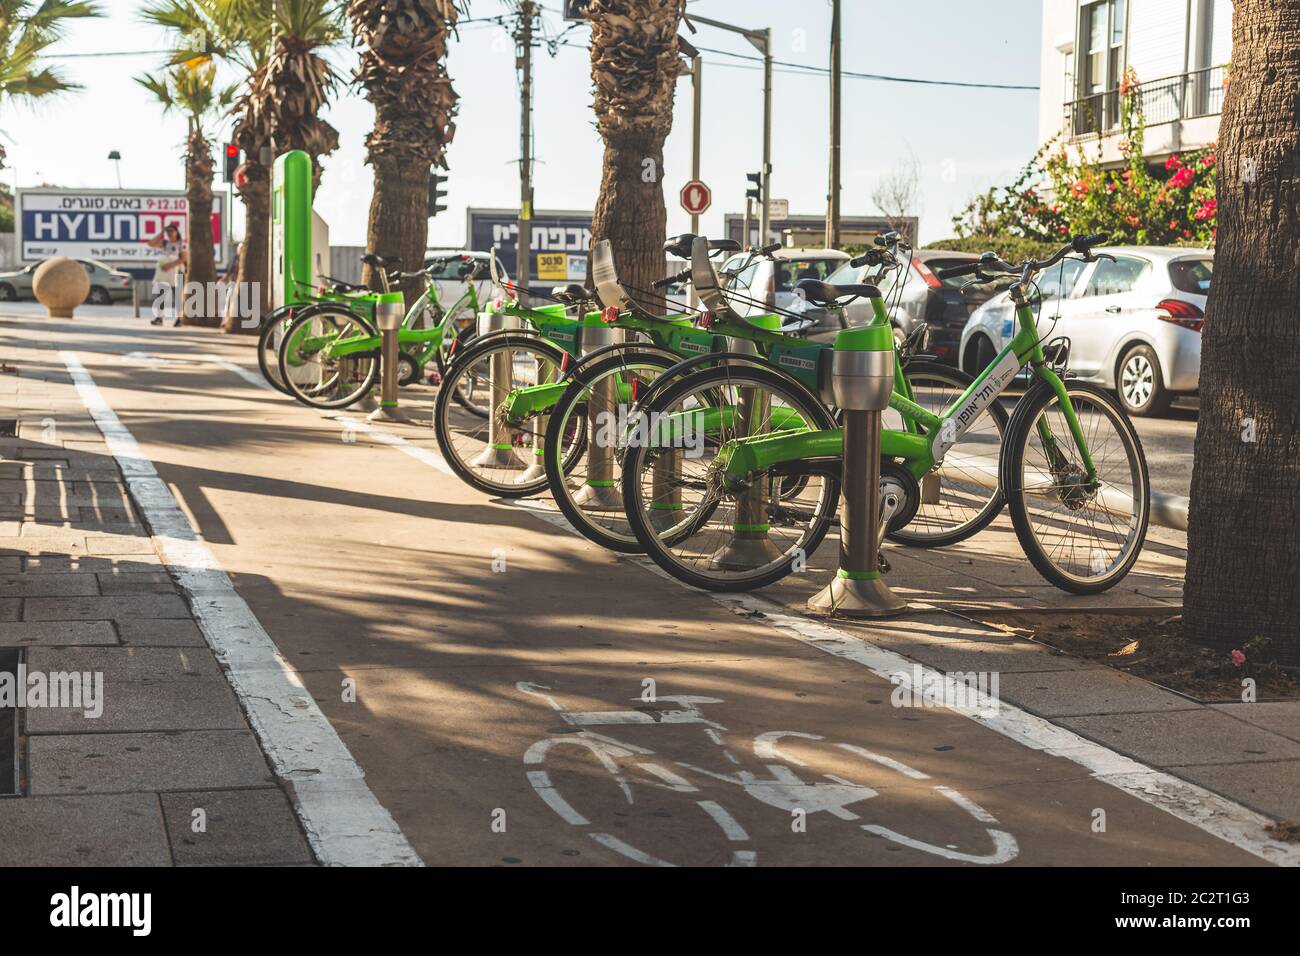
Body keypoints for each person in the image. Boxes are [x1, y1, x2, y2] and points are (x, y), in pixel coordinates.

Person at [145, 223, 188, 326]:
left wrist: (170, 265)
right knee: (161, 295)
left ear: (176, 232)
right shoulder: (165, 243)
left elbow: (183, 259)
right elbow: (150, 243)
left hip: (176, 271)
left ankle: (179, 319)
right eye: (167, 231)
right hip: (164, 272)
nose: (169, 233)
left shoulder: (181, 244)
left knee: (177, 295)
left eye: (171, 231)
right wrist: (161, 232)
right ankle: (159, 317)